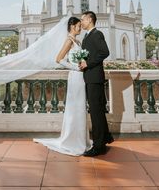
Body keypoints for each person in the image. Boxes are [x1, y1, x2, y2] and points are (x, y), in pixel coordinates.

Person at [33, 17, 92, 156]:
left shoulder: (77, 41)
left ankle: (82, 139)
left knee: (80, 107)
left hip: (80, 77)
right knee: (75, 107)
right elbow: (58, 59)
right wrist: (75, 68)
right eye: (78, 25)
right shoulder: (69, 41)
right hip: (75, 76)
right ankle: (72, 140)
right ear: (72, 26)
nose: (80, 28)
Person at [79, 11, 114, 157]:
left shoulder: (97, 34)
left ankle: (98, 146)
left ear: (90, 19)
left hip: (95, 78)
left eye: (83, 19)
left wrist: (88, 63)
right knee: (98, 110)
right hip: (90, 77)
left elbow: (105, 52)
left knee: (95, 112)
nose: (81, 22)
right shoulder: (87, 36)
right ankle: (105, 137)